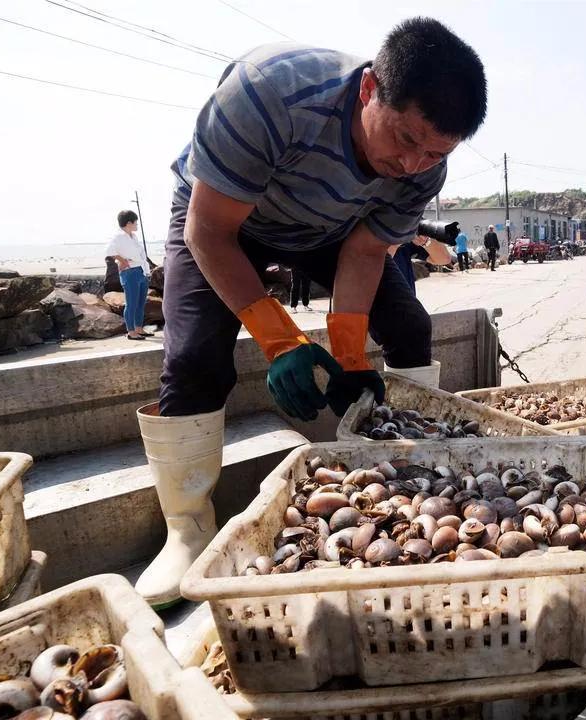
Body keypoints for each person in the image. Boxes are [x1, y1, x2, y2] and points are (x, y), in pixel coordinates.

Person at [133, 18, 487, 607]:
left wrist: (347, 353)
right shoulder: (269, 93)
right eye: (405, 140)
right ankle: (187, 525)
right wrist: (280, 341)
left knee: (408, 325)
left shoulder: (423, 164)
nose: (413, 165)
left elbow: (368, 250)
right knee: (196, 356)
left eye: (435, 153)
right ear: (370, 89)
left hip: (333, 229)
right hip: (225, 221)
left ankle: (402, 454)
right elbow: (210, 231)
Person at [105, 210, 152, 340]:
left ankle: (139, 328)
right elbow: (109, 251)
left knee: (141, 303)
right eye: (135, 222)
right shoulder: (118, 236)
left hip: (141, 270)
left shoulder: (133, 236)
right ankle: (131, 331)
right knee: (131, 303)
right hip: (130, 272)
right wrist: (122, 261)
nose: (137, 224)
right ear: (129, 223)